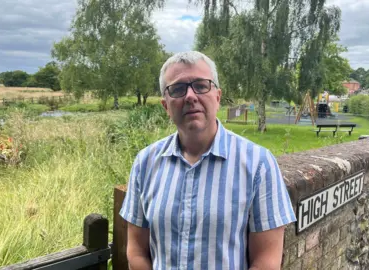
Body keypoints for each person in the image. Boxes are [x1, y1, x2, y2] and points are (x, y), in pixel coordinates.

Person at [119, 51, 296, 269]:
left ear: (218, 97)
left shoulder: (258, 164)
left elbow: (266, 262)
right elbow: (136, 250)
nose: (190, 96)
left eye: (201, 85)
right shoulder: (145, 163)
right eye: (177, 89)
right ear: (166, 106)